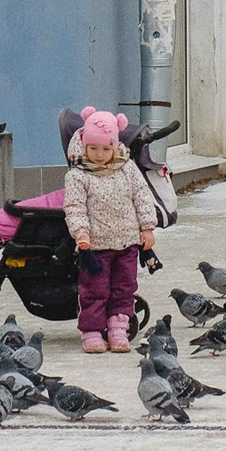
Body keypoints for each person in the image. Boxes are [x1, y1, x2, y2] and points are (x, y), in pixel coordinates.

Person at [60, 106, 160, 354]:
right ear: (84, 145)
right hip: (95, 246)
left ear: (115, 146)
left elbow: (142, 196)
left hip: (127, 242)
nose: (100, 154)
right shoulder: (77, 174)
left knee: (125, 288)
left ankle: (118, 328)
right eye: (93, 148)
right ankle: (92, 331)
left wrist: (147, 227)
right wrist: (81, 233)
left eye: (106, 149)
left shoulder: (126, 168)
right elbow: (74, 206)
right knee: (94, 289)